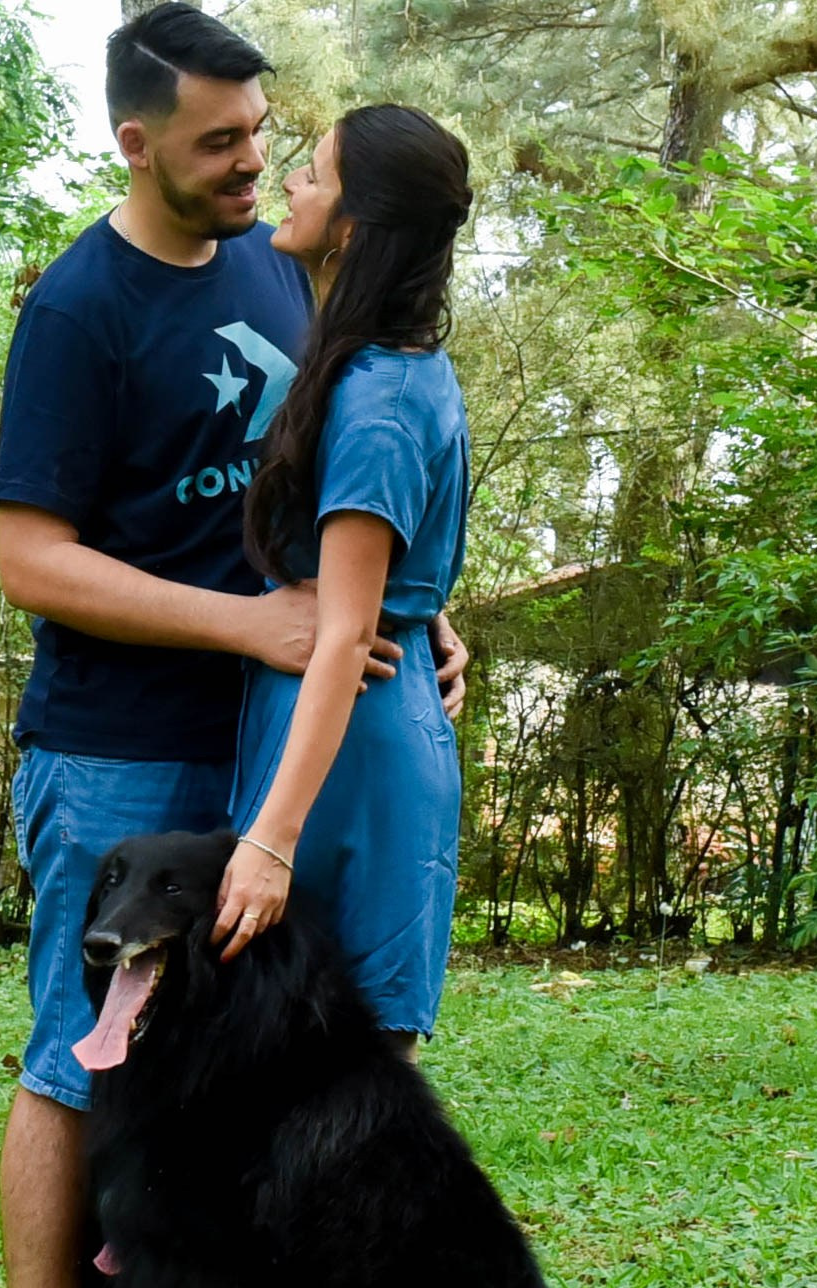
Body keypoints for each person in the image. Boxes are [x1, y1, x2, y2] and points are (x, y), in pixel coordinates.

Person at [0, 6, 466, 1288]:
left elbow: (362, 477)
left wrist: (413, 610)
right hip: (121, 741)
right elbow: (32, 559)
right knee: (85, 1057)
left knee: (247, 1069)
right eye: (220, 143)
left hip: (278, 745)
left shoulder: (284, 266)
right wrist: (255, 626)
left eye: (265, 134)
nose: (254, 164)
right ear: (136, 145)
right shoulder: (79, 311)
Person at [215, 106, 472, 1064]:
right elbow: (380, 564)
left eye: (313, 174)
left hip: (348, 747)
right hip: (334, 719)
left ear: (356, 227)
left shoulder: (380, 402)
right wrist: (431, 607)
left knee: (348, 1101)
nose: (288, 182)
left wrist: (271, 841)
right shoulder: (371, 369)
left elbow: (342, 626)